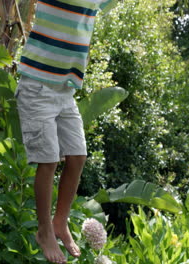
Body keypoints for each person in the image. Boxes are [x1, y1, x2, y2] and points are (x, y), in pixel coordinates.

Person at [15, 0, 118, 263]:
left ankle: (60, 222)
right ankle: (44, 230)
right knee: (48, 161)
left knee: (77, 156)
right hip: (37, 88)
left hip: (65, 92)